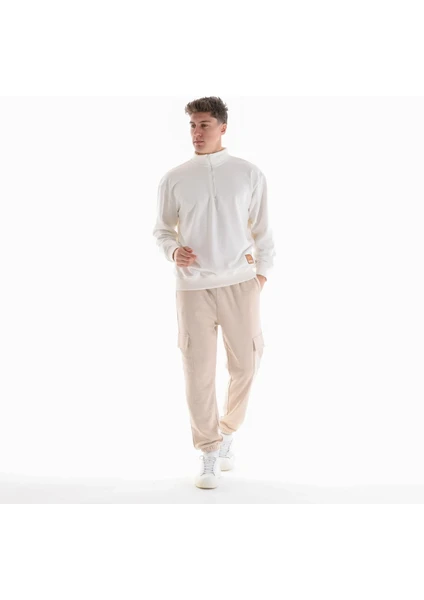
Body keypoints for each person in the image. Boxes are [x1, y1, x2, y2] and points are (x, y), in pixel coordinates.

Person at [152, 96, 276, 489]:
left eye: (204, 124)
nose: (196, 132)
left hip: (241, 284)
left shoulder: (248, 173)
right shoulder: (174, 178)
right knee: (198, 371)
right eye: (192, 125)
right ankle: (208, 451)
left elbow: (263, 229)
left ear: (223, 127)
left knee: (246, 365)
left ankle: (226, 431)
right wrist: (173, 251)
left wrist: (261, 276)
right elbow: (162, 230)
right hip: (193, 288)